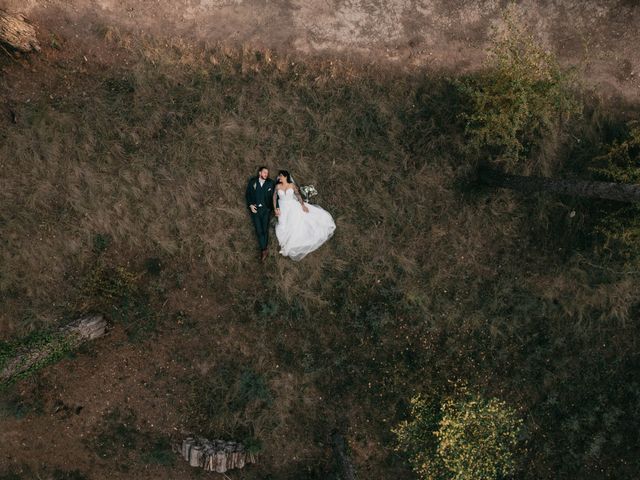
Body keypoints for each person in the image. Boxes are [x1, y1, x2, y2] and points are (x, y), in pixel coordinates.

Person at [273, 170, 336, 261]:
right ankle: (286, 243)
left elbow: (298, 195)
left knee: (295, 222)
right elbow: (274, 197)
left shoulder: (292, 185)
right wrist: (275, 208)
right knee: (282, 225)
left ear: (285, 176)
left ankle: (289, 244)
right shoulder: (277, 186)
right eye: (279, 176)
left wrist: (302, 205)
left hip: (292, 205)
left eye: (280, 176)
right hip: (282, 206)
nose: (279, 178)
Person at [245, 166, 276, 261]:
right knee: (259, 231)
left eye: (267, 173)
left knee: (265, 230)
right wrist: (250, 205)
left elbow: (274, 197)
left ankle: (263, 250)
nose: (266, 174)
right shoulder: (253, 182)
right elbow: (247, 194)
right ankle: (264, 249)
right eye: (264, 172)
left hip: (266, 210)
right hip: (255, 210)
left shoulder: (270, 183)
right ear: (259, 173)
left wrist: (274, 208)